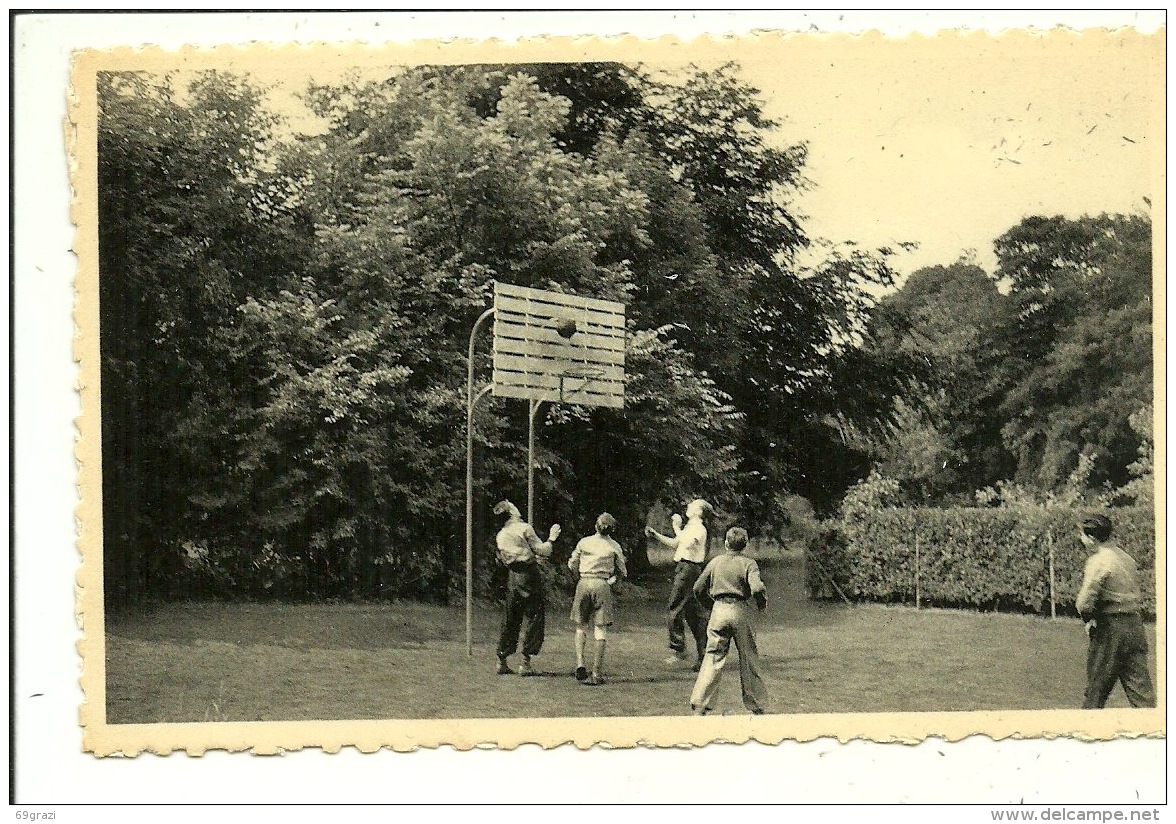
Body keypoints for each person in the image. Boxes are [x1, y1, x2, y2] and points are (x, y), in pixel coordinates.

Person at [1075, 514, 1155, 709]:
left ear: (1092, 538)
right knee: (1142, 695)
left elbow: (1084, 602)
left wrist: (1088, 619)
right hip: (1135, 627)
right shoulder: (1126, 558)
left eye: (1083, 535)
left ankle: (1085, 735)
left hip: (1110, 630)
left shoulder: (1098, 561)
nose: (1081, 539)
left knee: (1095, 693)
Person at [689, 526, 769, 716]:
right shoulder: (749, 564)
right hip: (740, 610)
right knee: (748, 658)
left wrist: (711, 605)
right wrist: (761, 604)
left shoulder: (715, 562)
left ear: (726, 543)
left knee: (712, 657)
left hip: (719, 610)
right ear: (745, 544)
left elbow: (698, 588)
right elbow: (757, 588)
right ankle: (756, 705)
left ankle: (700, 705)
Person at [493, 500, 560, 677]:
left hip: (512, 577)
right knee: (534, 615)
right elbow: (544, 550)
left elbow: (506, 558)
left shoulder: (501, 534)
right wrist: (552, 538)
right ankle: (526, 662)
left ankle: (502, 659)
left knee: (511, 615)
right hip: (529, 576)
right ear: (511, 512)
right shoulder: (524, 528)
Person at [646, 498, 713, 670]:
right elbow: (676, 543)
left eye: (693, 505)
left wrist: (676, 525)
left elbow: (685, 542)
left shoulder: (699, 528)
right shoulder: (691, 528)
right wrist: (656, 535)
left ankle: (679, 648)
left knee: (674, 607)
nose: (688, 506)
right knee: (693, 615)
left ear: (698, 512)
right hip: (686, 569)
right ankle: (703, 656)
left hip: (688, 570)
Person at [568, 512, 628, 686]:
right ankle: (596, 672)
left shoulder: (584, 542)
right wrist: (614, 578)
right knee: (600, 629)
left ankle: (580, 663)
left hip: (584, 581)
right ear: (612, 529)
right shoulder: (614, 546)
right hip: (602, 584)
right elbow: (623, 571)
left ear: (596, 525)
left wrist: (579, 574)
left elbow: (572, 563)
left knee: (581, 626)